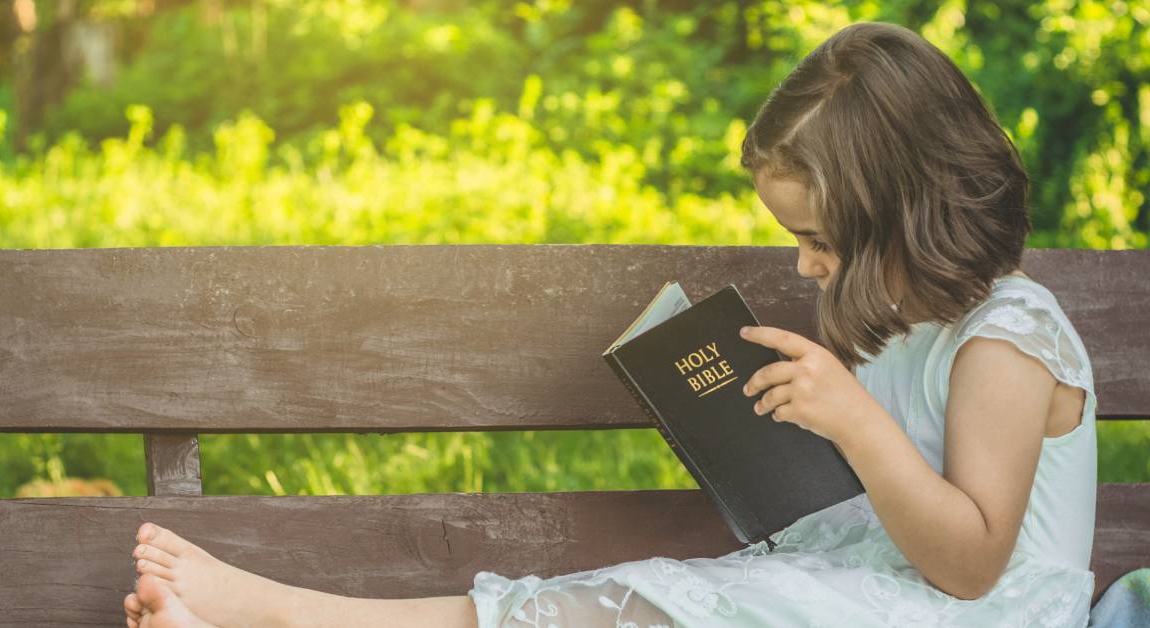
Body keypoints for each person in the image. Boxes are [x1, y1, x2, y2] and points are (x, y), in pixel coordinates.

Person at [123, 20, 1098, 628]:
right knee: (650, 597)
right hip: (857, 587)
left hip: (972, 614)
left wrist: (852, 419)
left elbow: (972, 567)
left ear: (902, 202)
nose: (805, 265)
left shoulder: (1009, 338)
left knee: (647, 605)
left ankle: (288, 617)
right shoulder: (896, 322)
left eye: (822, 239)